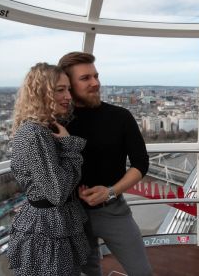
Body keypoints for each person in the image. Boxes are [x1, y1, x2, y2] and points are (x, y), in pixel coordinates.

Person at [58, 52, 153, 276]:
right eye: (85, 78)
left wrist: (110, 192)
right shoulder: (58, 123)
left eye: (96, 76)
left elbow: (141, 163)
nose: (95, 83)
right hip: (72, 214)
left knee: (142, 272)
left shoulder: (121, 116)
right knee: (89, 272)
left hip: (112, 209)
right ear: (68, 85)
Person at [7, 63, 90, 275]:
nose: (68, 96)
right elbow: (57, 192)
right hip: (48, 227)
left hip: (53, 222)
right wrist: (70, 146)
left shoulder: (42, 128)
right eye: (60, 90)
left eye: (68, 89)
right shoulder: (35, 134)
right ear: (40, 92)